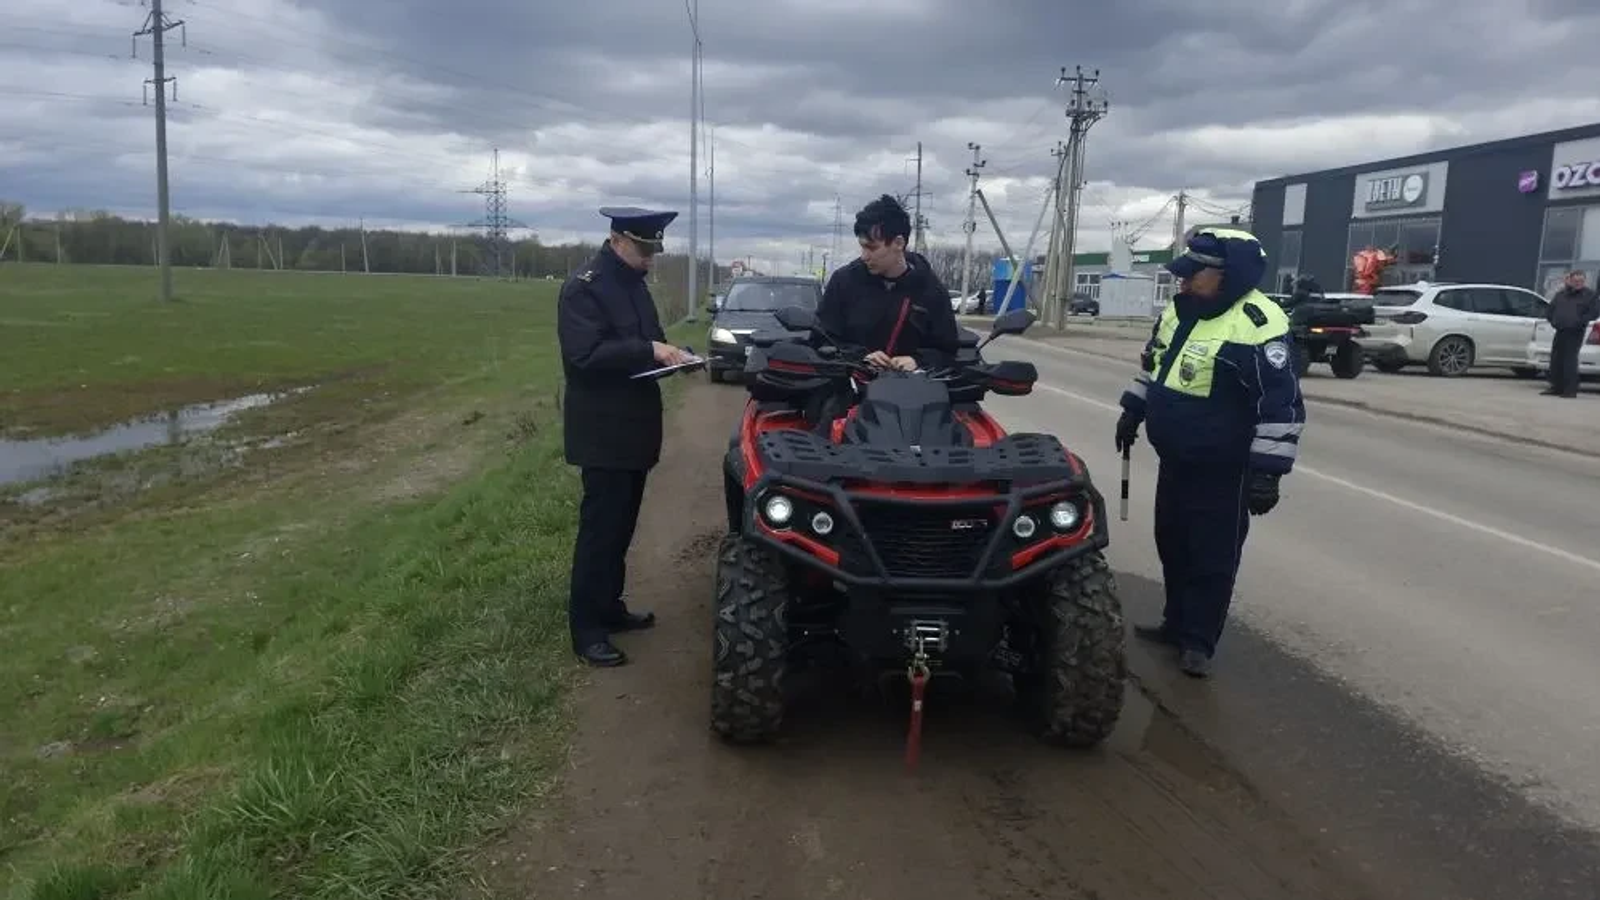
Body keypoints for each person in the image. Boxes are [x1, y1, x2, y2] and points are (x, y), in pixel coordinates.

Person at [1113, 227, 1307, 678]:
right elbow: (1155, 365)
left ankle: (1198, 641)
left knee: (1212, 555)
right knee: (1173, 542)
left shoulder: (1259, 323)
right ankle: (1175, 622)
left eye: (1192, 274)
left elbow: (1280, 403)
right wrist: (1133, 410)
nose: (1182, 281)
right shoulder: (1181, 311)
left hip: (1223, 467)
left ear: (1226, 275)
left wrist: (1268, 472)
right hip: (1176, 459)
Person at [557, 206, 697, 667]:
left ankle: (610, 607)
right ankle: (586, 627)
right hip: (602, 431)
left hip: (635, 430)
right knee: (600, 532)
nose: (650, 259)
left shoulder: (634, 285)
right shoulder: (585, 288)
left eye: (654, 250)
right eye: (643, 249)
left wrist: (675, 357)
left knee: (622, 528)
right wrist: (649, 349)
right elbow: (586, 356)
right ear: (617, 240)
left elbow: (650, 342)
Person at [815, 194, 961, 372]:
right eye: (862, 246)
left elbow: (948, 351)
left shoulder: (931, 291)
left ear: (898, 243)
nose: (864, 256)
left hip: (912, 393)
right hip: (850, 390)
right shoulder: (844, 282)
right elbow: (821, 339)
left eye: (872, 248)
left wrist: (918, 361)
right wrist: (859, 357)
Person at [1542, 269, 1598, 398]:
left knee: (1569, 360)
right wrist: (1554, 321)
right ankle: (1556, 386)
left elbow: (1593, 313)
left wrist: (1579, 322)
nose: (1578, 283)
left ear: (1584, 281)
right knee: (1556, 358)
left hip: (1575, 332)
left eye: (1581, 281)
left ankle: (1570, 390)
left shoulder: (1589, 295)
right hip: (1560, 330)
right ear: (1570, 280)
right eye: (1576, 280)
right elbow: (1550, 310)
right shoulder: (1561, 294)